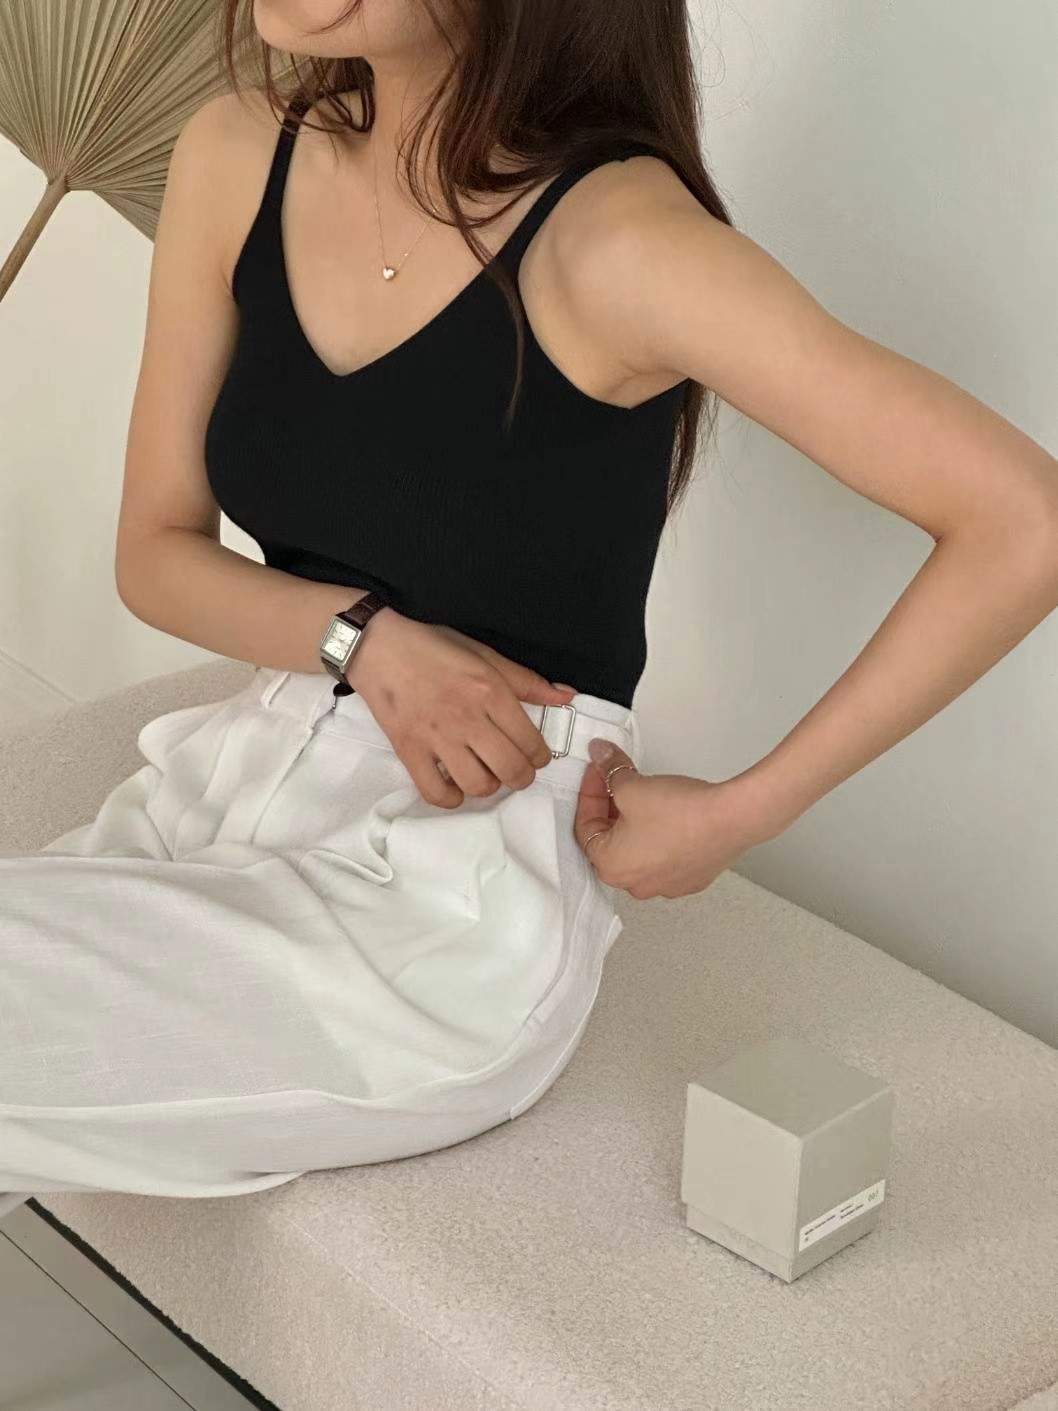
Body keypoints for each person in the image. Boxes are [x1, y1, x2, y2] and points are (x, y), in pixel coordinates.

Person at [3, 0, 1057, 1223]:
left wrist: (738, 813)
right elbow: (155, 553)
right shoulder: (238, 152)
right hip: (224, 785)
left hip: (445, 905)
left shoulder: (619, 245)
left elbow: (1019, 521)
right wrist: (364, 643)